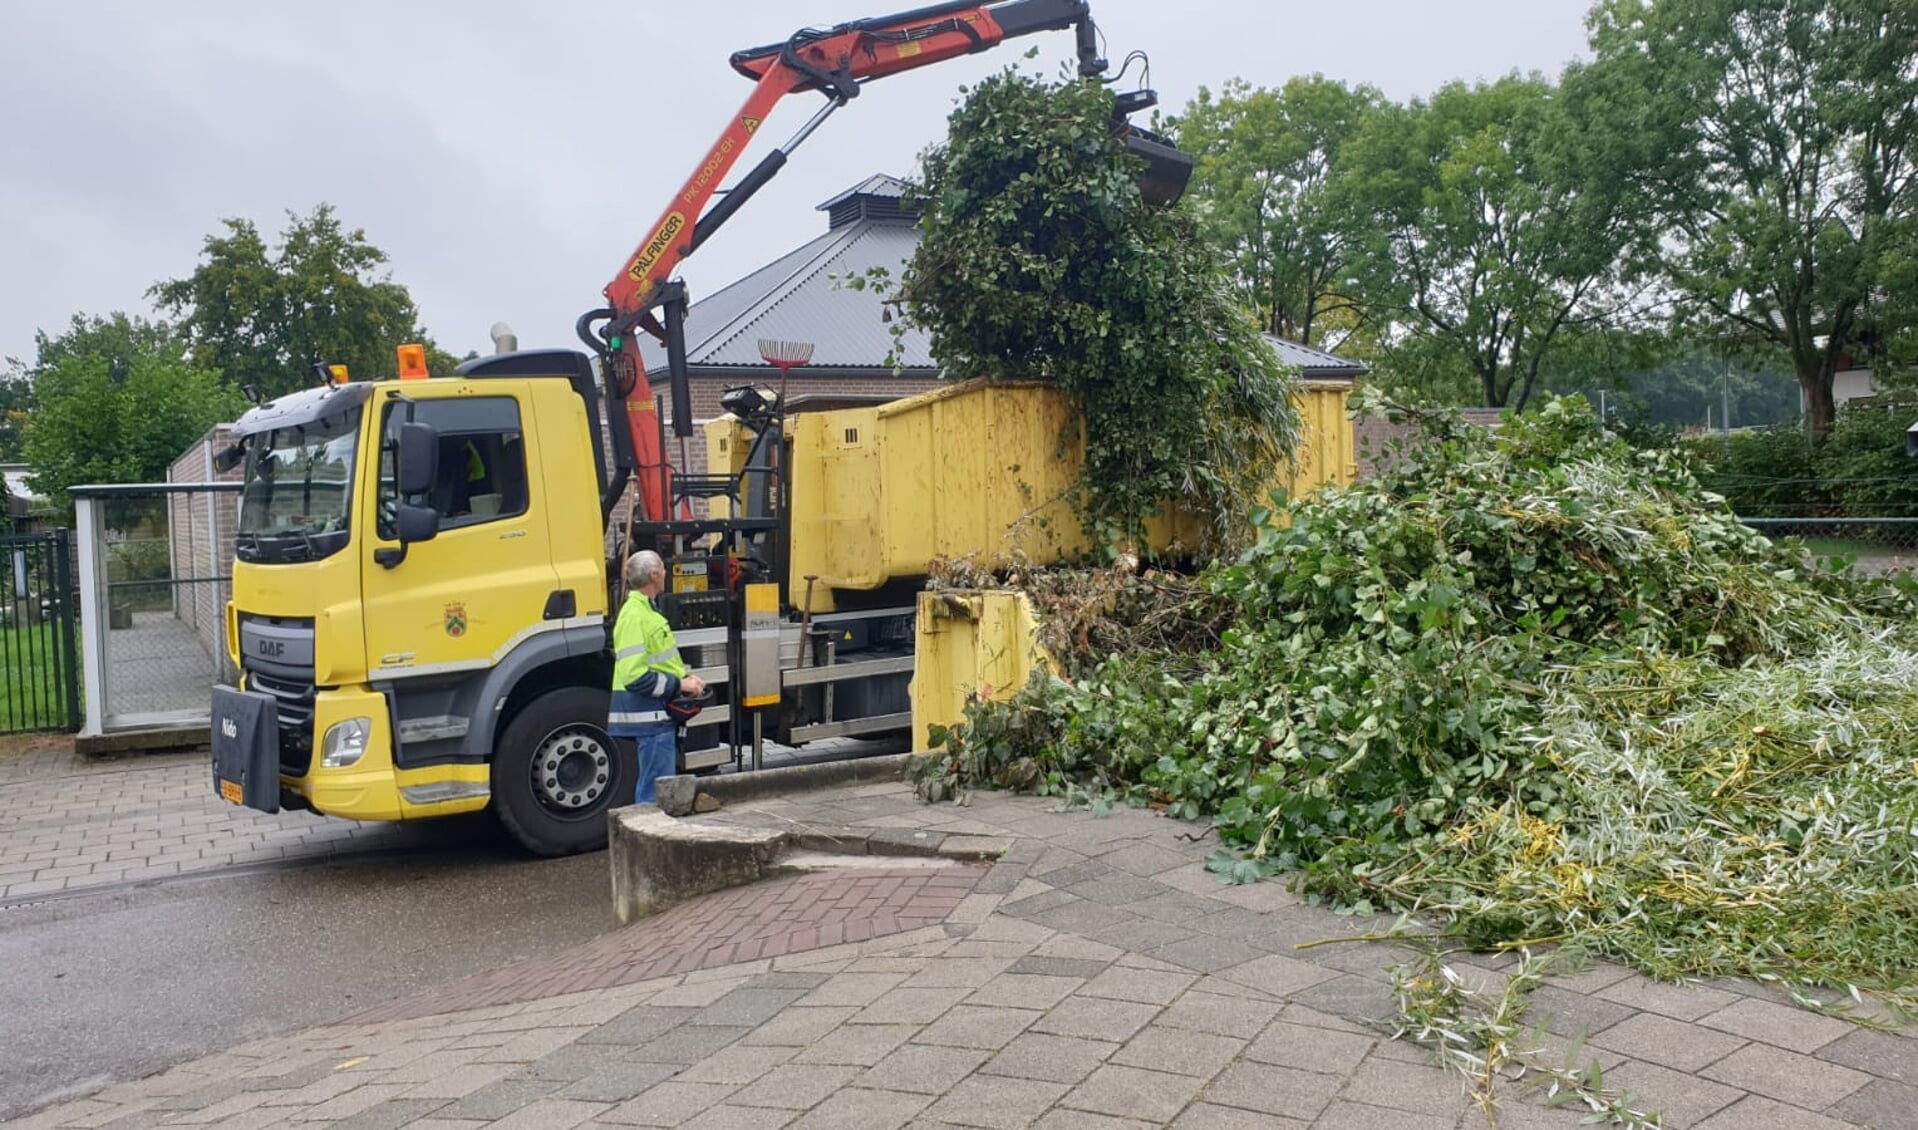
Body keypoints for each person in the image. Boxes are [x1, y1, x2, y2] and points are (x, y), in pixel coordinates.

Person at [609, 550, 705, 804]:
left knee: (659, 788)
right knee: (655, 795)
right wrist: (680, 684)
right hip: (651, 719)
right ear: (653, 575)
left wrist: (685, 678)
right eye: (662, 568)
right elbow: (635, 676)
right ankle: (649, 841)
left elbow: (659, 662)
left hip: (657, 718)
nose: (665, 573)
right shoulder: (635, 616)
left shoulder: (645, 612)